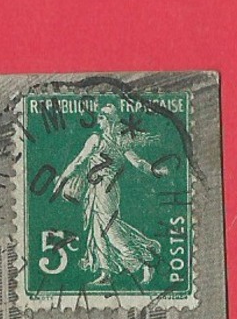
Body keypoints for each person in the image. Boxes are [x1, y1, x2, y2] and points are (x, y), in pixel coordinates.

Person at [52, 102, 169, 287]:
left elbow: (79, 161)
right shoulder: (116, 142)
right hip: (97, 190)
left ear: (109, 121)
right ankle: (105, 272)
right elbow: (138, 163)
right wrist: (154, 170)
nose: (99, 121)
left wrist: (61, 181)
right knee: (97, 230)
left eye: (102, 117)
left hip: (106, 190)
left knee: (110, 229)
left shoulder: (99, 140)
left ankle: (146, 258)